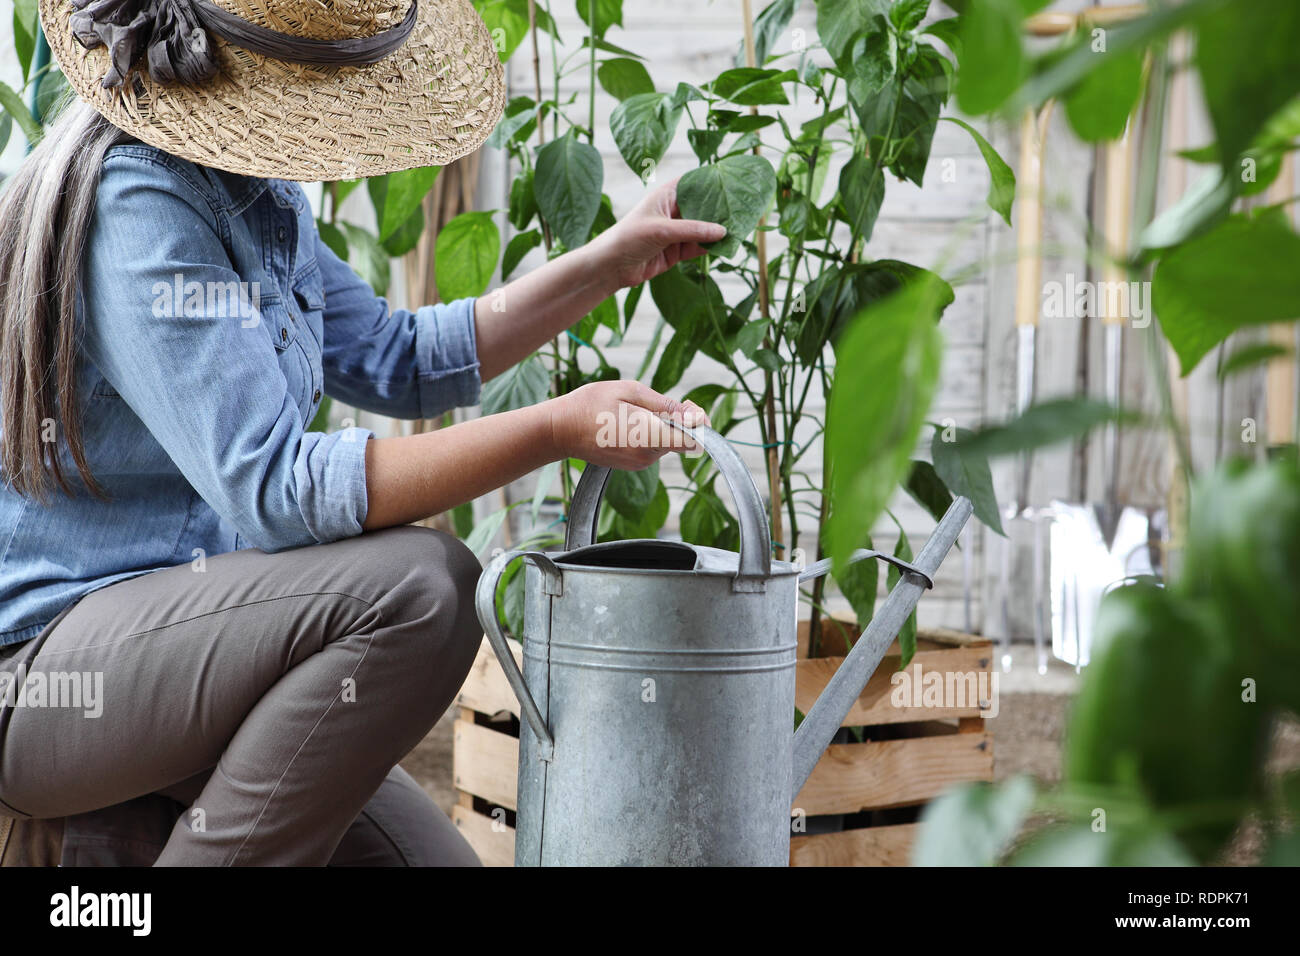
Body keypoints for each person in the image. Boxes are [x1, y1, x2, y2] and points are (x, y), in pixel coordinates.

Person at [0, 0, 720, 865]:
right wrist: (560, 427)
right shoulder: (137, 199)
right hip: (50, 679)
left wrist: (609, 261)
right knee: (424, 587)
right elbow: (274, 488)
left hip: (195, 651)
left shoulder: (255, 194)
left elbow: (401, 358)